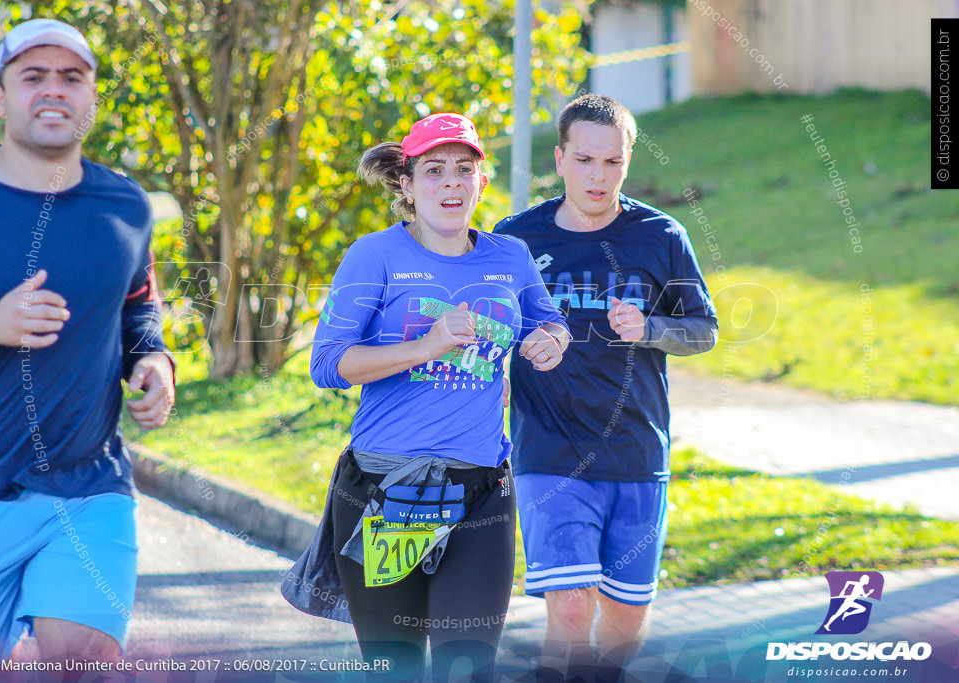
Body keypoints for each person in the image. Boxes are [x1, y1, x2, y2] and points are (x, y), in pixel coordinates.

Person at [283, 112, 569, 682]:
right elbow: (326, 365)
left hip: (482, 490)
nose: (451, 183)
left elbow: (551, 323)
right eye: (434, 171)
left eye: (464, 170)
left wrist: (549, 341)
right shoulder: (375, 255)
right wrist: (425, 346)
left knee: (468, 669)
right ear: (407, 186)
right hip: (388, 490)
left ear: (481, 182)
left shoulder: (508, 258)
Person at [0, 18, 174, 673]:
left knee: (83, 664)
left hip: (88, 487)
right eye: (33, 76)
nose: (54, 90)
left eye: (72, 77)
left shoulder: (126, 207)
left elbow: (137, 312)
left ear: (91, 95)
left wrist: (153, 362)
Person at [495, 94, 718, 680]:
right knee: (569, 608)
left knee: (624, 620)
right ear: (561, 158)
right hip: (550, 452)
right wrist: (519, 341)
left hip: (636, 452)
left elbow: (704, 331)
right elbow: (487, 332)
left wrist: (653, 328)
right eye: (586, 160)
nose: (599, 176)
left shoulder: (660, 235)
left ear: (627, 160)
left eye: (613, 162)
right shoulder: (516, 240)